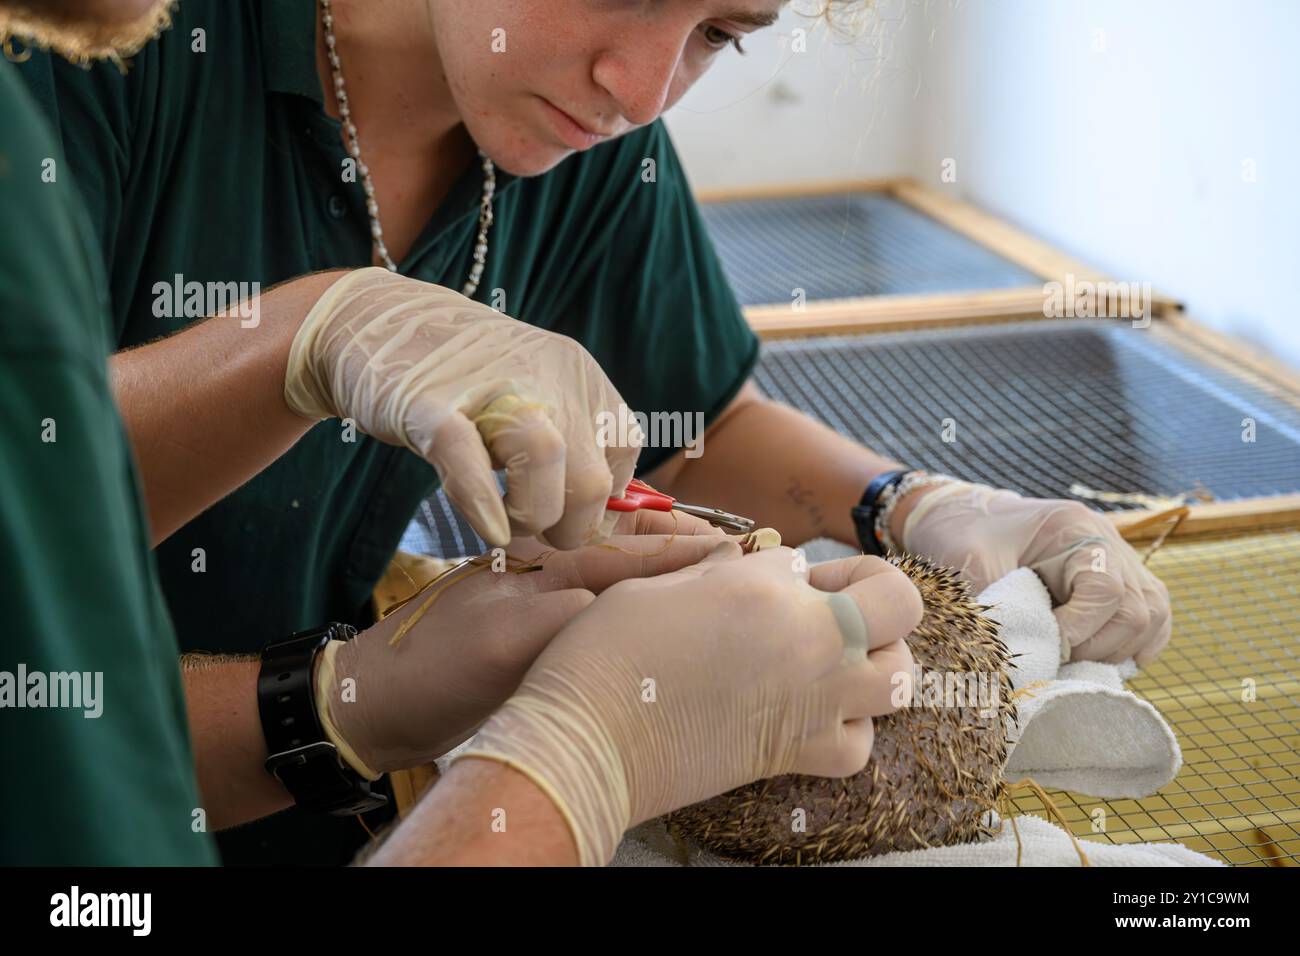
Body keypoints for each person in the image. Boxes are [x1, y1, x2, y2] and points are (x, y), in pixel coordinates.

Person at [13, 0, 1171, 863]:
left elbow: (685, 424)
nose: (639, 84)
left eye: (721, 30)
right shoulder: (78, 56)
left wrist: (911, 502)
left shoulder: (586, 140)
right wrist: (298, 341)